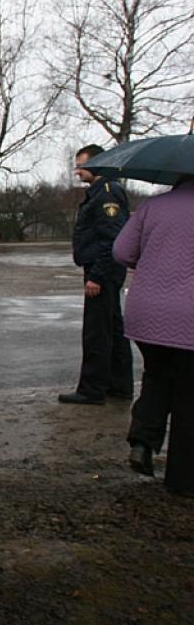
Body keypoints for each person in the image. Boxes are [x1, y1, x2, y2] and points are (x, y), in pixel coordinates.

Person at [112, 175, 194, 494]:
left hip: (147, 310)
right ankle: (184, 480)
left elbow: (121, 252)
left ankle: (143, 442)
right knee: (189, 392)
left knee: (158, 373)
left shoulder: (153, 206)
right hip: (189, 316)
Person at [58, 144, 134, 405]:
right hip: (106, 270)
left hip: (102, 271)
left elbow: (111, 239)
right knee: (113, 327)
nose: (77, 171)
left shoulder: (107, 194)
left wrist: (97, 276)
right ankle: (119, 385)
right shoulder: (104, 192)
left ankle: (92, 389)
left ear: (98, 164)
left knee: (97, 331)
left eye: (81, 165)